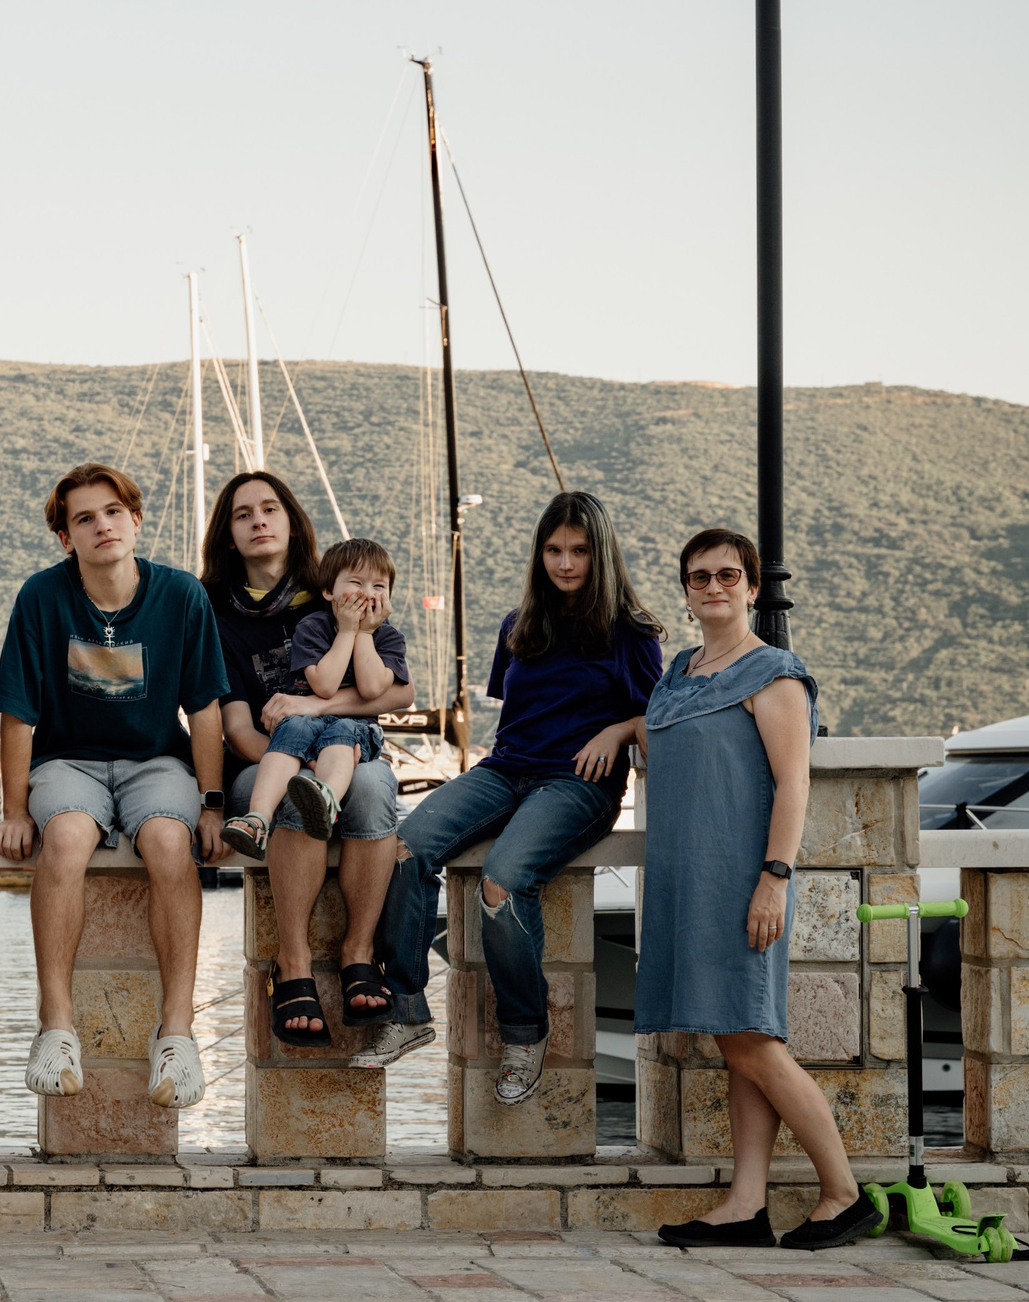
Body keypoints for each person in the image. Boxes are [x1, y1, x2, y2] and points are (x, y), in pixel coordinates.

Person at [360, 492, 661, 1091]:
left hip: (579, 783)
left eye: (578, 550)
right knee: (405, 845)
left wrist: (619, 728)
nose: (566, 563)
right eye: (553, 550)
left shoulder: (632, 633)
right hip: (505, 771)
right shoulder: (518, 625)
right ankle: (407, 1008)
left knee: (501, 882)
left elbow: (659, 717)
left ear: (600, 554)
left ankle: (525, 1033)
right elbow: (519, 713)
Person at [643, 528, 875, 1251]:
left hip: (742, 877)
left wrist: (773, 878)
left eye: (727, 574)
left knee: (752, 1041)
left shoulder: (773, 671)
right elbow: (670, 737)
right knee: (737, 1036)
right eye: (699, 576)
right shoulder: (679, 670)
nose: (713, 586)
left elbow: (793, 780)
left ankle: (845, 1192)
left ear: (750, 586)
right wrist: (623, 723)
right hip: (688, 878)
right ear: (685, 591)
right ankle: (746, 1204)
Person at [0, 463, 226, 1111]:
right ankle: (57, 1026)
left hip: (157, 761)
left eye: (113, 512)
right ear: (65, 536)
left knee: (168, 843)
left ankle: (176, 1032)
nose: (102, 525)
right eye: (84, 518)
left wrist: (211, 802)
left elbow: (204, 709)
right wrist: (14, 808)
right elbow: (17, 712)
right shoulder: (42, 597)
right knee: (64, 839)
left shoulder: (181, 595)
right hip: (69, 761)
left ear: (135, 520)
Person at [196, 474, 408, 1046]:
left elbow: (396, 693)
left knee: (369, 787)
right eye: (243, 514)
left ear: (292, 522)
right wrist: (298, 760)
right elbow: (238, 730)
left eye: (270, 509)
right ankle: (292, 964)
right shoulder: (213, 612)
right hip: (263, 763)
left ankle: (358, 953)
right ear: (229, 534)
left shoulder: (338, 590)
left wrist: (315, 705)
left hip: (344, 747)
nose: (259, 521)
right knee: (295, 794)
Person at [222, 536, 412, 856]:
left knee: (341, 734)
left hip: (353, 724)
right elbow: (324, 684)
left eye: (379, 586)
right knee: (288, 734)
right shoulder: (313, 627)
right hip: (302, 720)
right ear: (328, 591)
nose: (368, 593)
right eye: (356, 582)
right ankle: (257, 819)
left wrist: (362, 633)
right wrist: (347, 631)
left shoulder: (388, 637)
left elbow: (371, 689)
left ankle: (326, 799)